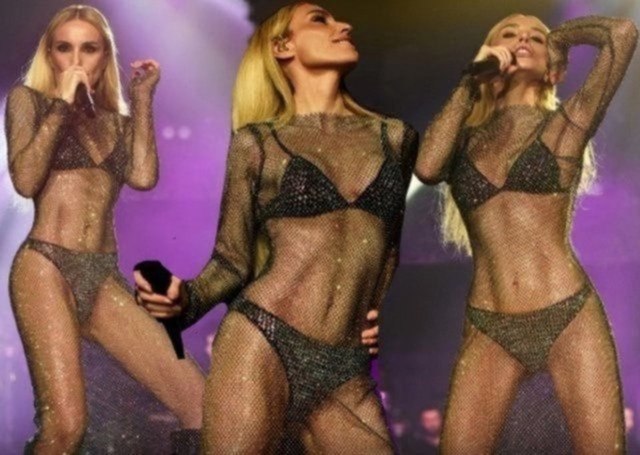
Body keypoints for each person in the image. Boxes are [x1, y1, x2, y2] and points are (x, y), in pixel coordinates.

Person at [136, 2, 417, 452]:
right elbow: (231, 262)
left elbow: (388, 251)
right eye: (320, 19)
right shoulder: (257, 143)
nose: (344, 25)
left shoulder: (395, 138)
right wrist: (183, 299)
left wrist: (379, 310)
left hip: (346, 367)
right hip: (264, 338)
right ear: (283, 46)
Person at [415, 13, 637, 453]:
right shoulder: (465, 139)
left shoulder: (565, 126)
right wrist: (471, 80)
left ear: (553, 69)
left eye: (534, 37)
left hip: (569, 314)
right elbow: (427, 167)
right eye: (509, 34)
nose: (523, 40)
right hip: (489, 324)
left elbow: (623, 34)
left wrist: (560, 39)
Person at [6, 5, 205, 453]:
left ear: (104, 56)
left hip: (101, 275)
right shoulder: (29, 102)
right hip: (46, 266)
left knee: (200, 403)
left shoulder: (116, 122)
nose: (76, 59)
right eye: (65, 48)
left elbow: (144, 177)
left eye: (89, 49)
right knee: (65, 427)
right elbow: (26, 180)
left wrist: (143, 99)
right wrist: (61, 103)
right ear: (50, 55)